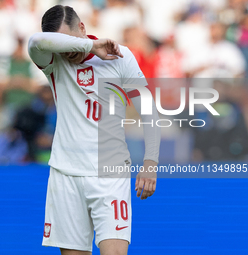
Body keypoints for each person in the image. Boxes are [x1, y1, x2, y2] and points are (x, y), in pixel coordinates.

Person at [28, 5, 161, 255]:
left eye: (72, 42)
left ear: (82, 27)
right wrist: (87, 46)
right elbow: (35, 40)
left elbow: (149, 111)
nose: (69, 51)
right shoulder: (53, 61)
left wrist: (150, 162)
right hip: (66, 173)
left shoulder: (121, 56)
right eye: (63, 45)